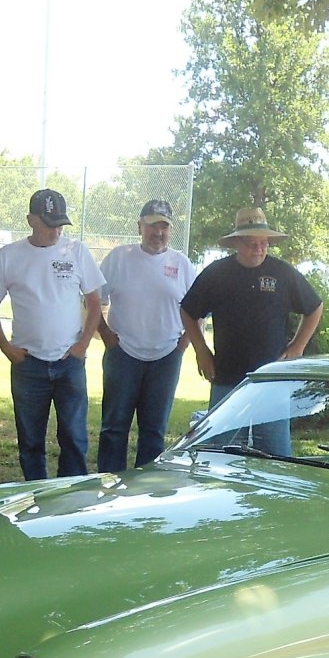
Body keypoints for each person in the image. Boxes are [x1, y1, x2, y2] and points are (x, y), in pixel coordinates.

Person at [0, 189, 105, 480]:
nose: (56, 230)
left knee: (74, 438)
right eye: (49, 223)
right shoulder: (9, 256)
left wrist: (82, 345)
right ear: (30, 220)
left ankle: (71, 495)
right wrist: (6, 348)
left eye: (60, 223)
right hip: (28, 364)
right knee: (30, 441)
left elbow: (95, 302)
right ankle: (35, 492)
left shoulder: (76, 251)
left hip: (69, 362)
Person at [180, 206, 322, 410]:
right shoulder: (217, 273)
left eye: (264, 243)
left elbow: (315, 307)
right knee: (222, 440)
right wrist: (201, 349)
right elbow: (188, 310)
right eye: (252, 243)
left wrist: (298, 345)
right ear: (237, 242)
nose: (259, 248)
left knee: (273, 442)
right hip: (227, 377)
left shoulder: (283, 272)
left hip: (272, 378)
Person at [95, 199, 195, 473]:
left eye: (164, 226)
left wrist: (181, 346)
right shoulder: (119, 258)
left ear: (171, 230)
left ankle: (144, 490)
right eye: (152, 226)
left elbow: (197, 310)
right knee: (114, 427)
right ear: (140, 227)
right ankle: (110, 484)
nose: (158, 232)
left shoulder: (182, 264)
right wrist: (106, 336)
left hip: (166, 357)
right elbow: (94, 300)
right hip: (123, 354)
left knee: (154, 431)